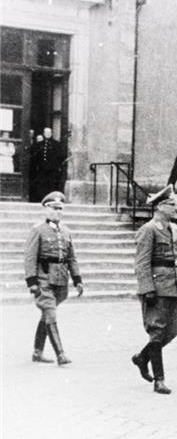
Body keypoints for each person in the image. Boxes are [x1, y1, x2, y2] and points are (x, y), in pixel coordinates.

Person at [132, 185, 177, 394]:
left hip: (172, 286)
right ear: (160, 206)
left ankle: (142, 358)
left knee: (172, 331)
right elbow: (141, 262)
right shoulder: (149, 229)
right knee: (157, 331)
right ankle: (159, 380)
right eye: (172, 204)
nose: (176, 208)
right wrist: (147, 289)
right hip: (157, 287)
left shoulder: (173, 228)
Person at [24, 191, 83, 365]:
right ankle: (60, 354)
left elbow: (71, 257)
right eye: (55, 208)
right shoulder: (38, 230)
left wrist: (77, 279)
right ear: (46, 210)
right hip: (44, 279)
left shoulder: (66, 231)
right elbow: (29, 257)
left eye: (61, 209)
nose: (58, 212)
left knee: (47, 314)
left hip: (60, 281)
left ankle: (37, 352)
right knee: (50, 314)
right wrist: (32, 283)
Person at [29, 128, 64, 202]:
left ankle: (50, 199)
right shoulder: (39, 144)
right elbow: (35, 156)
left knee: (51, 184)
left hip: (52, 169)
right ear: (44, 134)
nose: (48, 134)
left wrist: (56, 165)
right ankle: (41, 198)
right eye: (46, 133)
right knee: (42, 184)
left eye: (49, 133)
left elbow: (60, 156)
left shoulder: (56, 144)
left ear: (51, 134)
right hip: (42, 168)